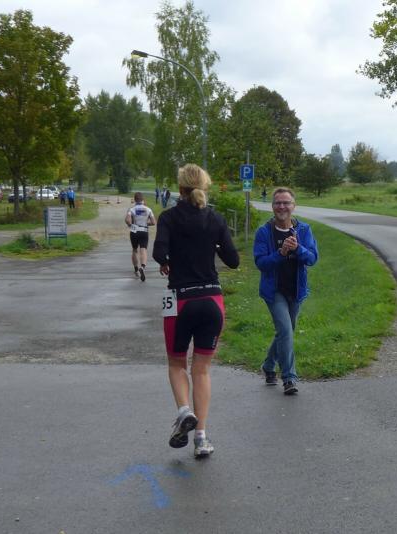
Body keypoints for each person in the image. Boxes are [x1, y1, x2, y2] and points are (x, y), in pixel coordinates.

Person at [153, 164, 240, 459]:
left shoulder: (169, 217)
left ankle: (184, 411)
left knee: (177, 363)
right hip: (212, 300)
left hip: (181, 301)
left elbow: (159, 253)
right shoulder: (215, 218)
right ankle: (201, 438)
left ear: (179, 188)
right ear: (205, 187)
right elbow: (233, 261)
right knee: (201, 369)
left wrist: (167, 262)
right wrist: (212, 243)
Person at [253, 187, 319, 395]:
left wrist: (298, 248)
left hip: (296, 290)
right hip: (274, 291)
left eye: (286, 203)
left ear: (294, 206)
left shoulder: (304, 230)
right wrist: (281, 253)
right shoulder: (264, 232)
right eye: (278, 203)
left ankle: (268, 366)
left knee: (286, 331)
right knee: (285, 331)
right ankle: (289, 378)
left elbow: (312, 259)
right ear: (272, 206)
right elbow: (261, 263)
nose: (282, 207)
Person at [125, 192, 156, 281]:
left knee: (135, 250)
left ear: (135, 199)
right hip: (144, 231)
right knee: (143, 250)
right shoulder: (148, 209)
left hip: (134, 231)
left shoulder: (132, 209)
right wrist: (146, 223)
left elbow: (127, 220)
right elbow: (153, 222)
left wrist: (131, 225)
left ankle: (136, 269)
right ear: (143, 199)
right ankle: (142, 267)